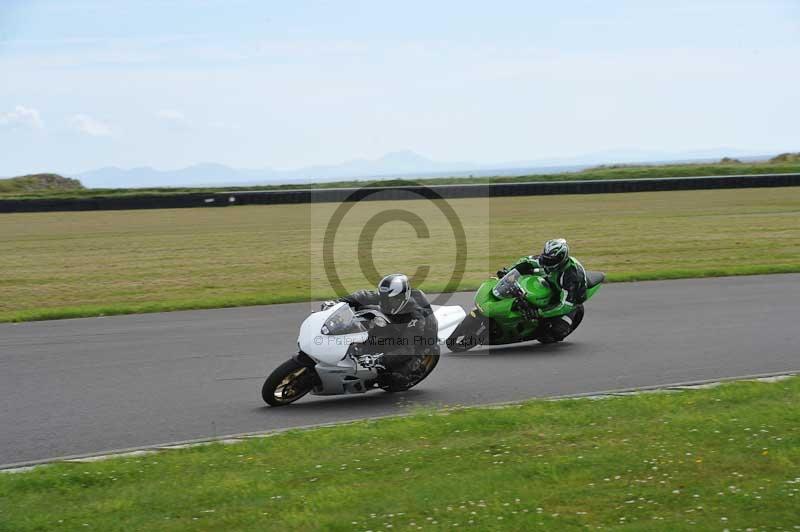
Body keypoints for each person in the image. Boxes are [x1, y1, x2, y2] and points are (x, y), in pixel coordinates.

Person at [335, 273, 439, 388]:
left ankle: (406, 373)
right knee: (364, 311)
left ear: (402, 297)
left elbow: (407, 348)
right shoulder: (388, 296)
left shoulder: (416, 317)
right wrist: (338, 302)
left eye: (391, 300)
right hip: (395, 325)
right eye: (384, 299)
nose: (386, 303)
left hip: (417, 345)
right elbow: (363, 296)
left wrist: (380, 360)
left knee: (392, 379)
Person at [496, 238, 587, 342]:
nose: (547, 262)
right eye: (546, 258)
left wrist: (539, 313)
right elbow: (526, 261)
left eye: (551, 261)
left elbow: (565, 306)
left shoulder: (571, 277)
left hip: (571, 301)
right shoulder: (548, 259)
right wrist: (509, 272)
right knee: (527, 271)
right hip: (553, 281)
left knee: (558, 330)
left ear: (561, 258)